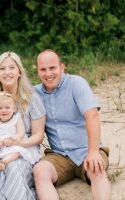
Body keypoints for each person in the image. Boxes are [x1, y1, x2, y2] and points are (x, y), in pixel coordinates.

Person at [33, 49, 110, 200]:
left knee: (97, 170)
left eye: (52, 68)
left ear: (62, 67)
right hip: (59, 156)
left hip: (87, 150)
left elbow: (92, 115)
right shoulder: (35, 93)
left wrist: (93, 151)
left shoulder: (76, 83)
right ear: (38, 71)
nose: (48, 74)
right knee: (39, 171)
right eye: (43, 69)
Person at [0, 51, 46, 200]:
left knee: (14, 168)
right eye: (2, 68)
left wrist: (19, 142)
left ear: (19, 71)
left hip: (24, 147)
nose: (7, 72)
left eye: (12, 68)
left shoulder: (32, 98)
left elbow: (38, 135)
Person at [0, 91, 40, 183]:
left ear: (14, 108)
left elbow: (21, 132)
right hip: (0, 145)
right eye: (0, 108)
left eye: (7, 107)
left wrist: (13, 139)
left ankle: (4, 162)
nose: (4, 110)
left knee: (17, 151)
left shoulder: (16, 119)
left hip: (13, 142)